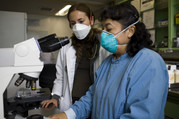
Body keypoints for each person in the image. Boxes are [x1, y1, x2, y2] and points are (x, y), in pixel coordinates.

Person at [48, 3, 169, 119]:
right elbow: (91, 97)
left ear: (130, 31)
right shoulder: (107, 62)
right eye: (103, 28)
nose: (103, 34)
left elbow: (142, 115)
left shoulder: (148, 62)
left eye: (109, 29)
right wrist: (68, 115)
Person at [41, 3, 110, 112]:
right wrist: (55, 97)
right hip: (72, 101)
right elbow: (60, 77)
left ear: (91, 20)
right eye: (73, 23)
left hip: (94, 102)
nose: (77, 26)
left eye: (81, 21)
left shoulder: (103, 45)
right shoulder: (66, 47)